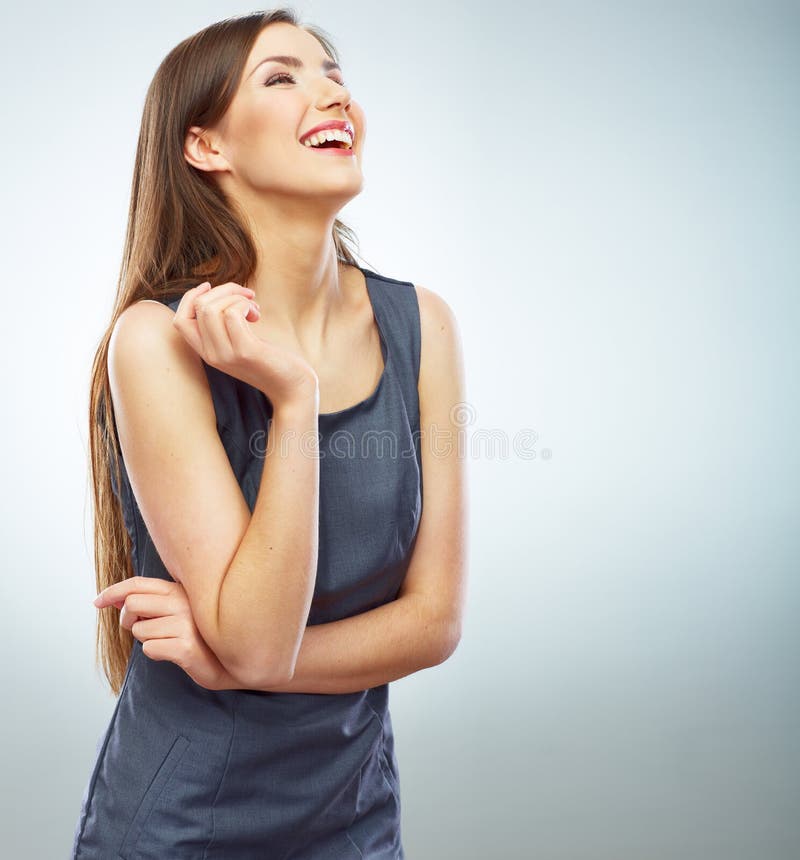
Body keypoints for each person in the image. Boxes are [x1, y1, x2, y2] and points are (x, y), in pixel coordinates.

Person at [71, 8, 467, 859]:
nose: (330, 93)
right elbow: (257, 632)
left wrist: (246, 664)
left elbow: (433, 622)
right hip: (183, 823)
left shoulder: (424, 326)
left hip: (356, 821)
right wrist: (293, 398)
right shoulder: (155, 340)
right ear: (206, 146)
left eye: (333, 74)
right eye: (282, 77)